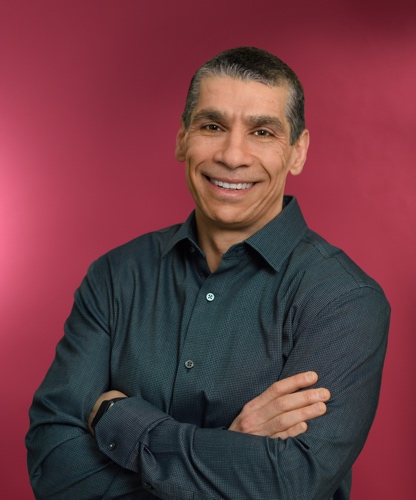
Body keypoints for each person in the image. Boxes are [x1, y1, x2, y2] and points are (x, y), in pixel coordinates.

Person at [26, 47, 390, 500]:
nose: (233, 156)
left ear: (297, 152)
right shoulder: (116, 277)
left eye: (262, 132)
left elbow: (291, 484)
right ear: (182, 138)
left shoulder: (343, 300)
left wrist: (121, 421)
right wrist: (231, 449)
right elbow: (53, 465)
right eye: (212, 126)